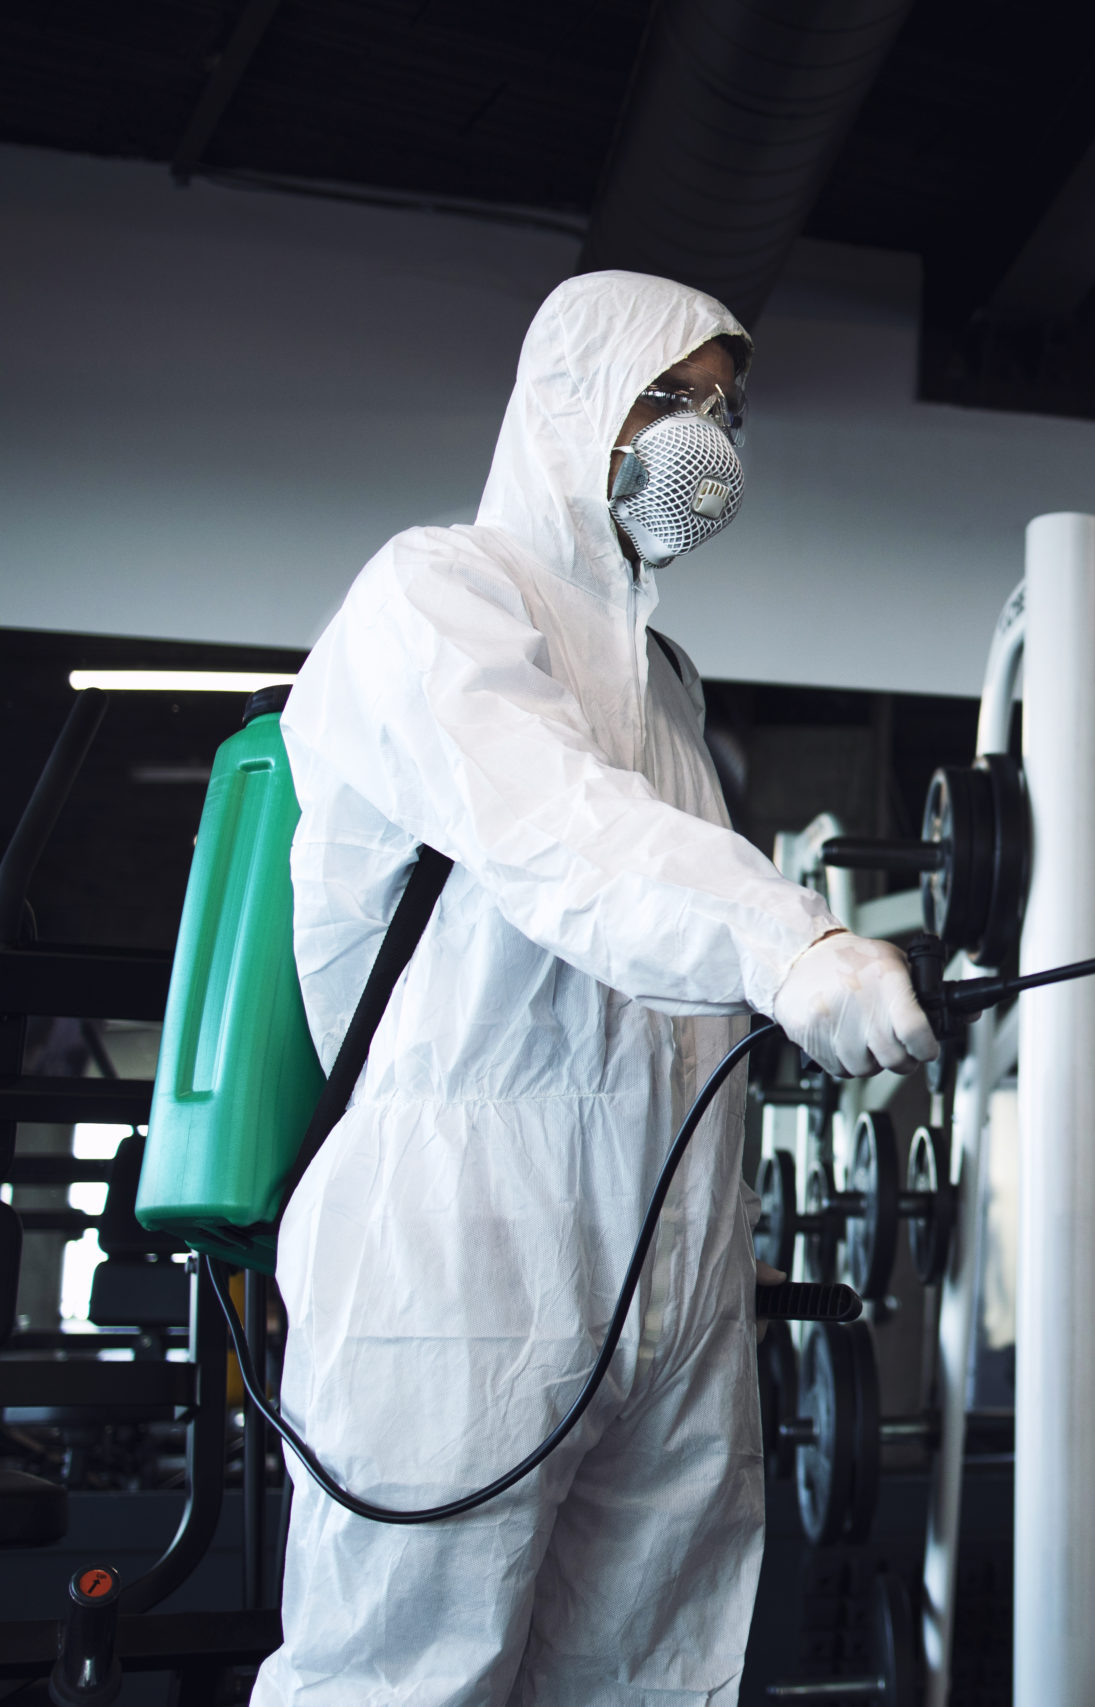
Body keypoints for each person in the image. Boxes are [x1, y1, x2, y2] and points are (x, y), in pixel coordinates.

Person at [256, 270, 935, 1704]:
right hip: (458, 1256)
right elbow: (560, 835)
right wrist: (791, 945)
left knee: (649, 1677)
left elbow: (663, 997)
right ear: (574, 406)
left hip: (670, 1282)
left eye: (727, 410)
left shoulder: (670, 693)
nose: (710, 440)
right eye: (673, 400)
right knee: (400, 1679)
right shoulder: (438, 595)